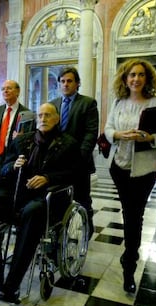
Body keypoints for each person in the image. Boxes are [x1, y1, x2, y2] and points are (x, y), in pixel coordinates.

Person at [0, 103, 81, 304]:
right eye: (40, 115)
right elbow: (3, 168)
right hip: (15, 193)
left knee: (32, 212)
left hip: (45, 198)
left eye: (48, 115)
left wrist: (48, 177)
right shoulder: (22, 141)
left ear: (56, 119)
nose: (43, 119)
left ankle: (11, 285)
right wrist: (13, 166)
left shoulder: (68, 143)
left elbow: (75, 174)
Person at [104, 59, 156, 293]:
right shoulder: (119, 102)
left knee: (135, 216)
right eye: (131, 75)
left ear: (147, 78)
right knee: (130, 213)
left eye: (140, 75)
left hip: (144, 170)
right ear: (125, 79)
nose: (136, 79)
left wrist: (148, 139)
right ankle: (129, 258)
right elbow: (107, 129)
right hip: (119, 167)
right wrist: (118, 134)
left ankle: (129, 265)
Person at [50, 66, 99, 238]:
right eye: (62, 81)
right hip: (57, 165)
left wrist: (78, 158)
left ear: (77, 83)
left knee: (83, 199)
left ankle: (87, 230)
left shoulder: (88, 103)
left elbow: (91, 134)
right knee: (58, 200)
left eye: (69, 81)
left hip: (79, 163)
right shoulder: (53, 104)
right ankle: (59, 232)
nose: (65, 84)